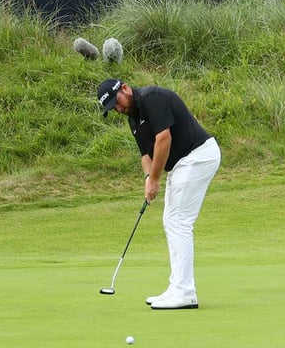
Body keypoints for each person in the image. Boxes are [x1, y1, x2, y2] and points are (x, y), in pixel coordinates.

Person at [95, 78, 221, 311]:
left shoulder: (152, 99)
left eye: (117, 102)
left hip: (197, 155)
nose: (117, 108)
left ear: (125, 88)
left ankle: (184, 292)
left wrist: (154, 179)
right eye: (112, 107)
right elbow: (146, 155)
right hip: (184, 163)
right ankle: (177, 288)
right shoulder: (133, 119)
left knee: (178, 221)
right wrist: (147, 178)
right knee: (172, 220)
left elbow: (164, 139)